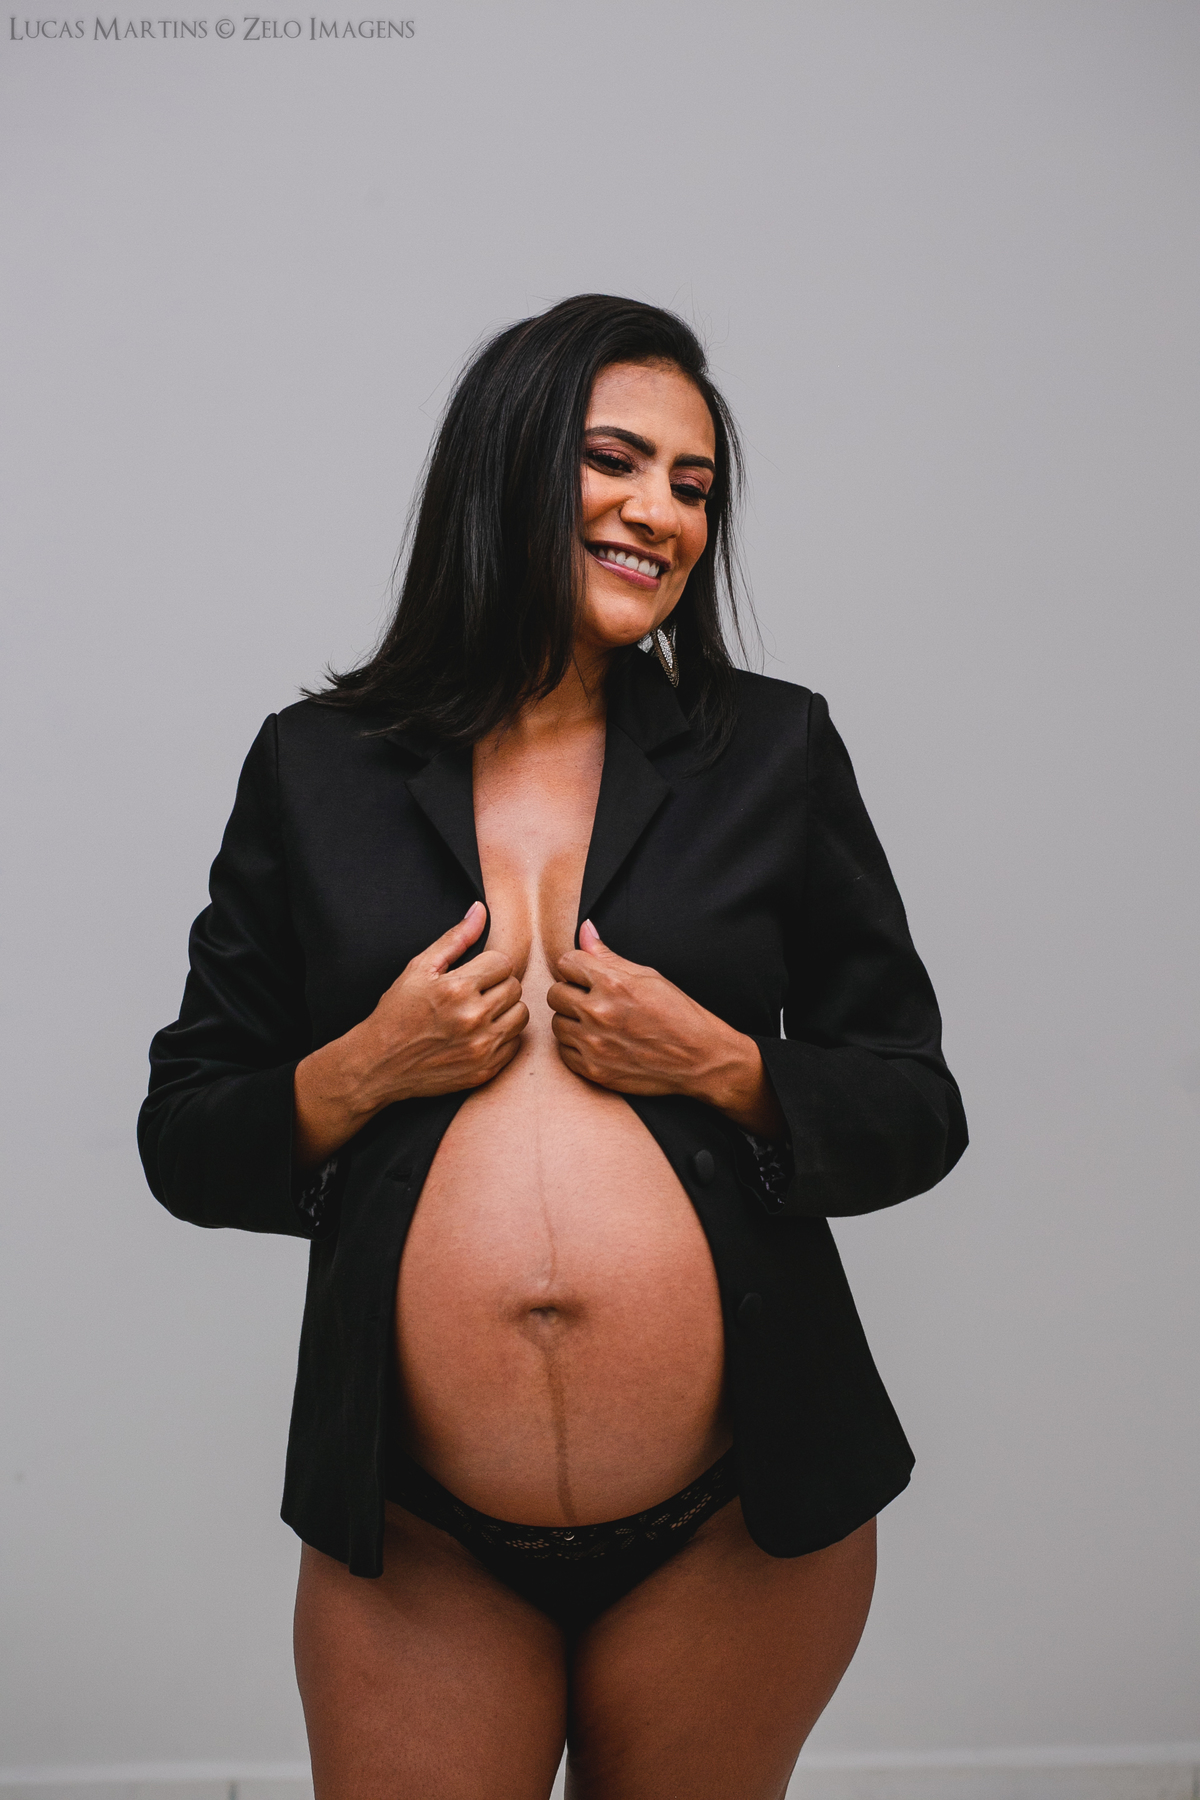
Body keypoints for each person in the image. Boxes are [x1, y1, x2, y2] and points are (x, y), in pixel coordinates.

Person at [138, 293, 967, 1800]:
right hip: (423, 1539)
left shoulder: (773, 752)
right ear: (507, 464)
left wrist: (724, 1067)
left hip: (736, 1525)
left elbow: (915, 1104)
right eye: (616, 461)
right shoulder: (315, 769)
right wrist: (365, 1068)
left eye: (694, 486)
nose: (662, 513)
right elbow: (185, 1136)